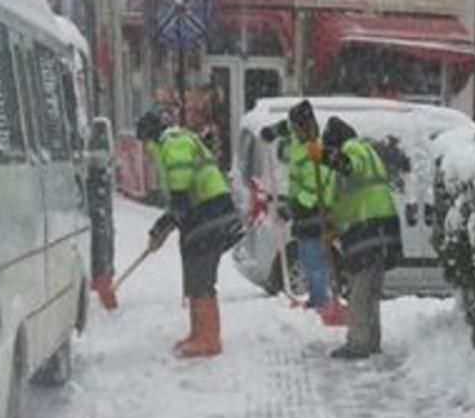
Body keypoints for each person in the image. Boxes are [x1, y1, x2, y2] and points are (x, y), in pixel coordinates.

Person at [135, 109, 236, 358]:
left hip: (209, 213)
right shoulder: (176, 140)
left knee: (201, 276)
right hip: (202, 214)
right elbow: (179, 205)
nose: (146, 151)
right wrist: (163, 227)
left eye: (145, 143)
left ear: (151, 136)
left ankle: (209, 339)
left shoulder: (173, 142)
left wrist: (163, 226)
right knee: (195, 273)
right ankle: (197, 333)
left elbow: (180, 195)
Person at [319, 117, 402, 362]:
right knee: (371, 290)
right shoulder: (370, 152)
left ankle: (358, 344)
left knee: (359, 291)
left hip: (366, 227)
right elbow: (345, 195)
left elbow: (348, 166)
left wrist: (324, 155)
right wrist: (332, 225)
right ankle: (371, 340)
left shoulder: (353, 148)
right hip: (381, 226)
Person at [259, 99, 345, 325]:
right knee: (307, 257)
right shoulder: (298, 136)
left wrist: (293, 208)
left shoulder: (315, 152)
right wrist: (273, 132)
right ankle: (317, 299)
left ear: (306, 127)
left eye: (297, 128)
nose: (293, 131)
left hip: (315, 209)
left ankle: (323, 303)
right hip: (302, 208)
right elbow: (286, 126)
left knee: (314, 256)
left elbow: (316, 190)